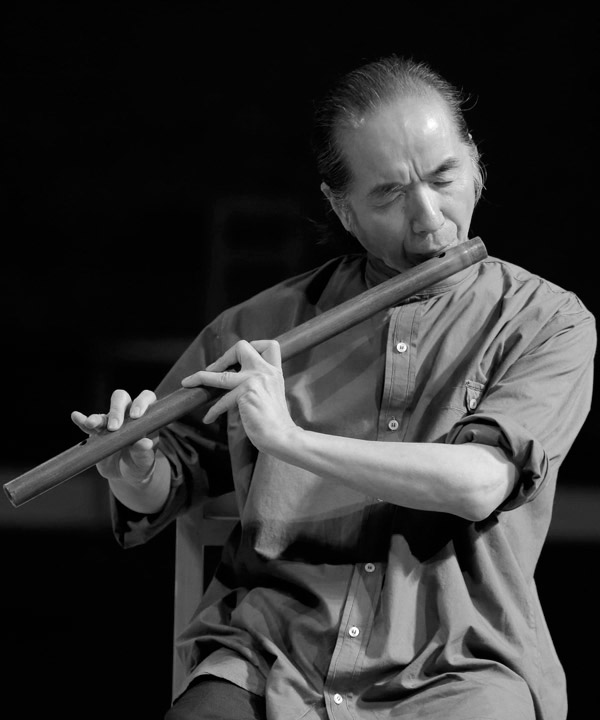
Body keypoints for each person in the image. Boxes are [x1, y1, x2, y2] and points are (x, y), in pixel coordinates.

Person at [72, 55, 596, 720]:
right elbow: (167, 482)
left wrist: (289, 441)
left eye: (444, 178)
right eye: (389, 195)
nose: (430, 220)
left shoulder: (547, 321)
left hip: (458, 663)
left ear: (476, 162)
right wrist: (134, 467)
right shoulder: (259, 327)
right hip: (269, 653)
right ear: (339, 205)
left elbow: (479, 484)